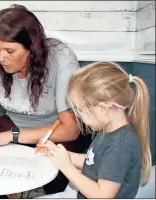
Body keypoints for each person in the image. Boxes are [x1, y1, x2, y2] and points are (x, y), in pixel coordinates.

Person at [0, 4, 91, 194]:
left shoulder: (61, 58)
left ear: (32, 49)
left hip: (55, 129)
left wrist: (13, 136)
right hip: (14, 124)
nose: (1, 58)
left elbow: (70, 129)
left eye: (10, 51)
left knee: (53, 175)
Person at [37, 61, 152, 198]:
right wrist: (58, 154)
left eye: (80, 111)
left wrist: (66, 166)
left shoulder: (121, 146)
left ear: (103, 109)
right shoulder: (108, 130)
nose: (79, 117)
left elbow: (102, 195)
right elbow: (95, 162)